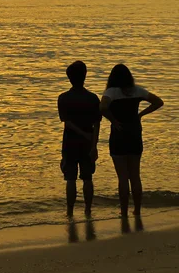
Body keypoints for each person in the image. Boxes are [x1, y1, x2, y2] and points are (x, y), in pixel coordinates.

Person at [100, 64, 164, 218]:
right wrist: (140, 115)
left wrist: (113, 120)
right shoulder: (137, 91)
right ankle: (137, 210)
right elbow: (158, 102)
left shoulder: (111, 92)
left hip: (119, 134)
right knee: (135, 175)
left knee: (122, 177)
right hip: (135, 133)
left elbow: (102, 108)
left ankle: (123, 212)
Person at [58, 61, 101, 217]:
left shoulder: (63, 98)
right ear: (85, 76)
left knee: (70, 179)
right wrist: (94, 144)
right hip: (87, 144)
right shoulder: (93, 98)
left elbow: (67, 122)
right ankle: (88, 210)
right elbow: (97, 124)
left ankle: (70, 211)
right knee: (87, 178)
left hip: (70, 142)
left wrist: (84, 135)